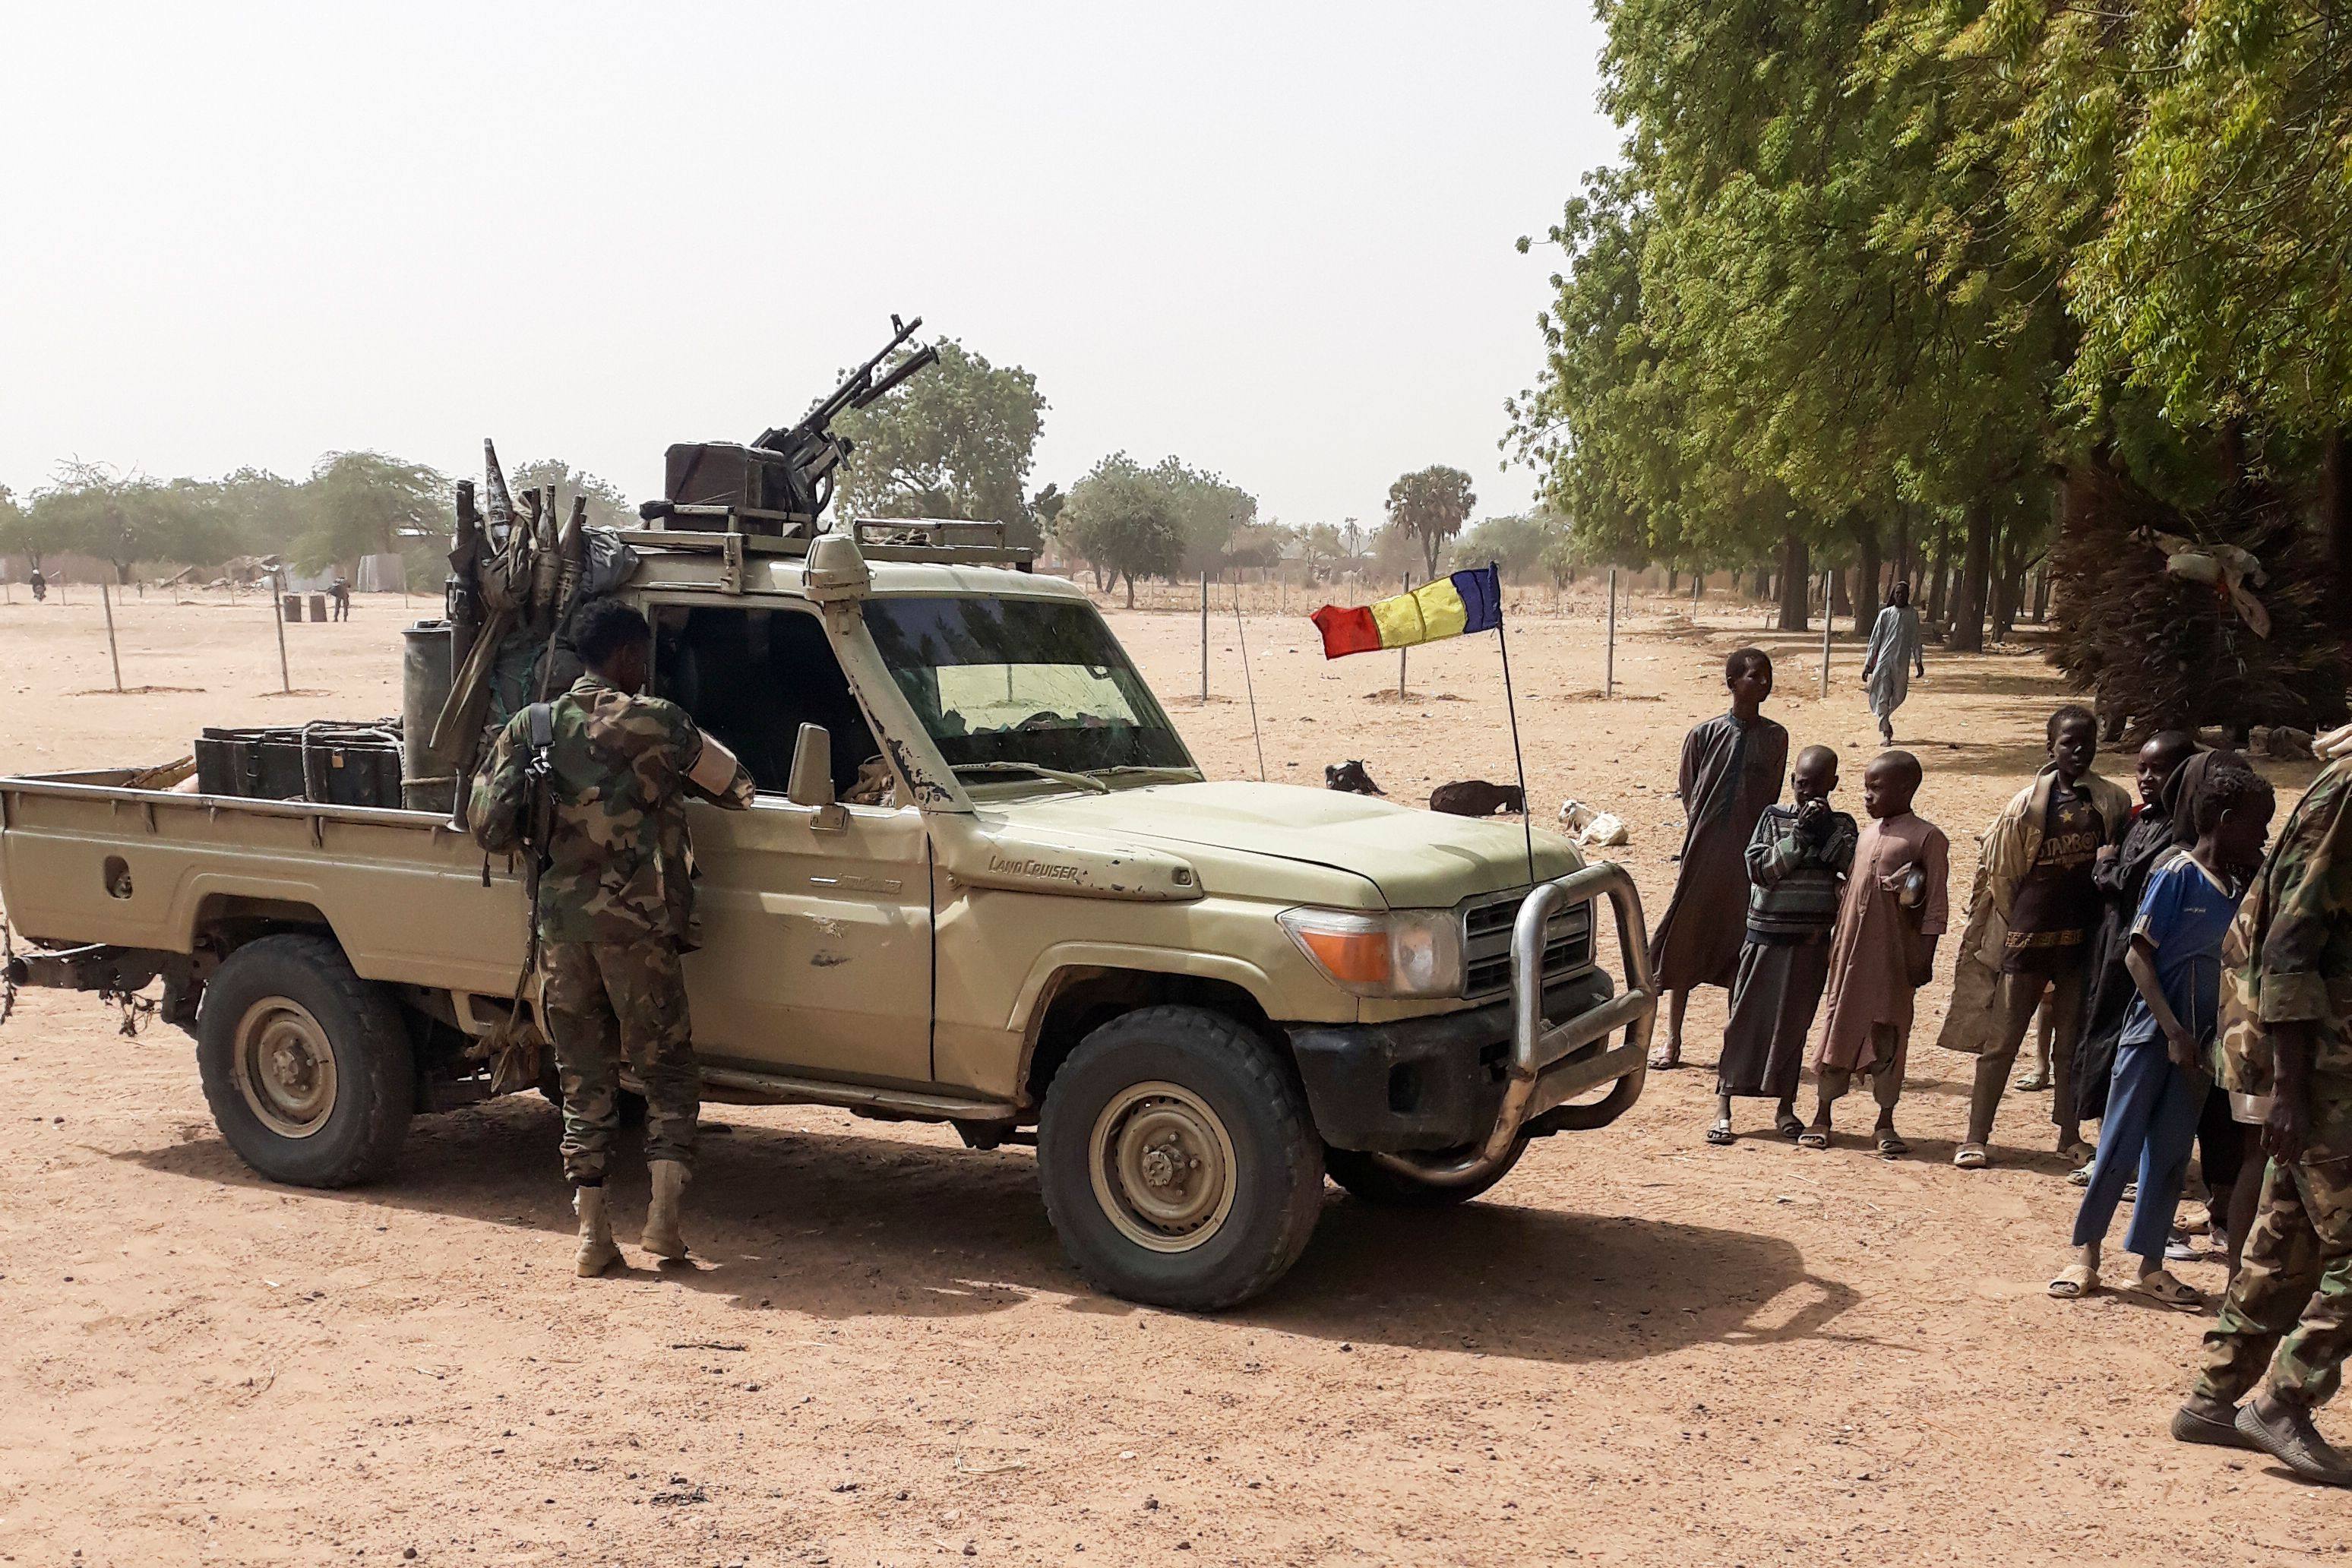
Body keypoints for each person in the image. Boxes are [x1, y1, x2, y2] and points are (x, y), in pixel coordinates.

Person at [470, 598, 754, 1277]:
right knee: (666, 1072)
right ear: (628, 655)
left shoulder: (530, 727)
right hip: (640, 932)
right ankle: (663, 1226)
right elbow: (736, 786)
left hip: (561, 934)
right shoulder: (657, 721)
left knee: (584, 1079)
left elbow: (484, 821)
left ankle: (593, 1237)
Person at [2173, 722, 2352, 1485]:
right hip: (2321, 1066)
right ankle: (2283, 1402)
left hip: (2323, 1061)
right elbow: (2288, 942)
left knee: (2290, 1240)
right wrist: (2287, 1088)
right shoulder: (2349, 798)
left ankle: (2214, 1397)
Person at [2050, 760, 2273, 1307]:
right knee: (2119, 1145)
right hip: (2156, 1035)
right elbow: (2137, 954)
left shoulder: (2245, 885)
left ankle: (2151, 1264)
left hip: (2203, 1047)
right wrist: (2172, 1030)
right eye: (2257, 825)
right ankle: (2085, 1254)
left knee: (2171, 1155)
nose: (2264, 836)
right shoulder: (2177, 874)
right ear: (2223, 821)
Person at [1939, 705, 2132, 1169]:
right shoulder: (2024, 806)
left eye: (2087, 742)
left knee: (2070, 1044)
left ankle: (2068, 1133)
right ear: (2051, 747)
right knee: (2002, 1043)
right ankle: (1976, 1135)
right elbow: (2003, 877)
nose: (2079, 751)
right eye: (2068, 742)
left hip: (2080, 943)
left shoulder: (2111, 801)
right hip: (2026, 940)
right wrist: (2017, 927)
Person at [1649, 648, 1788, 1070]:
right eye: (1752, 676)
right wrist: (1709, 831)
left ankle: (1735, 1044)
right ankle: (1672, 1041)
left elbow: (1772, 796)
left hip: (1748, 856)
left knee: (1741, 943)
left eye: (1767, 677)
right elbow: (1691, 793)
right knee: (1686, 939)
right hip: (1703, 852)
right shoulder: (1704, 735)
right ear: (1731, 683)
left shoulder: (1776, 737)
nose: (1762, 684)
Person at [1709, 745, 1857, 1143]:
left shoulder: (1841, 824)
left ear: (1834, 785)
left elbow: (1852, 867)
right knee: (1744, 1020)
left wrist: (1824, 834)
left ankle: (1785, 1108)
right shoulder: (1773, 819)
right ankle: (1724, 1105)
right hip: (1765, 937)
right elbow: (1761, 870)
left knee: (1793, 1027)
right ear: (1792, 782)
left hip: (1810, 943)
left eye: (1817, 785)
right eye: (1801, 784)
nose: (1807, 793)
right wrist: (1800, 838)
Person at [1807, 751, 1949, 1154]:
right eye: (1865, 787)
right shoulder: (1866, 834)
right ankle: (1823, 1115)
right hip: (1849, 951)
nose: (1867, 796)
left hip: (1894, 957)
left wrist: (1924, 956)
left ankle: (1885, 1121)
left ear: (1906, 789)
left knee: (1888, 1031)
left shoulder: (1926, 838)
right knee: (1838, 1024)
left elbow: (1935, 902)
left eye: (1876, 788)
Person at [2069, 732, 2199, 1124]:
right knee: (2099, 1033)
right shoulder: (2141, 819)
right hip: (2112, 941)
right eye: (2141, 768)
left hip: (2142, 949)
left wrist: (2104, 863)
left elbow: (2126, 881)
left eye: (2158, 770)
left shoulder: (2179, 830)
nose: (2146, 778)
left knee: (2127, 1045)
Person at [1860, 581, 1925, 745]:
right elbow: (1875, 639)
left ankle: (1886, 717)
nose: (1900, 596)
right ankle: (1886, 731)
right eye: (1897, 593)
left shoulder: (1912, 615)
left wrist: (1918, 661)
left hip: (1901, 663)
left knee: (1899, 696)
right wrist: (1869, 664)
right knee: (1882, 696)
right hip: (1883, 661)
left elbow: (1916, 639)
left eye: (1903, 593)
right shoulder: (1885, 614)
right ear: (1893, 595)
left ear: (1908, 595)